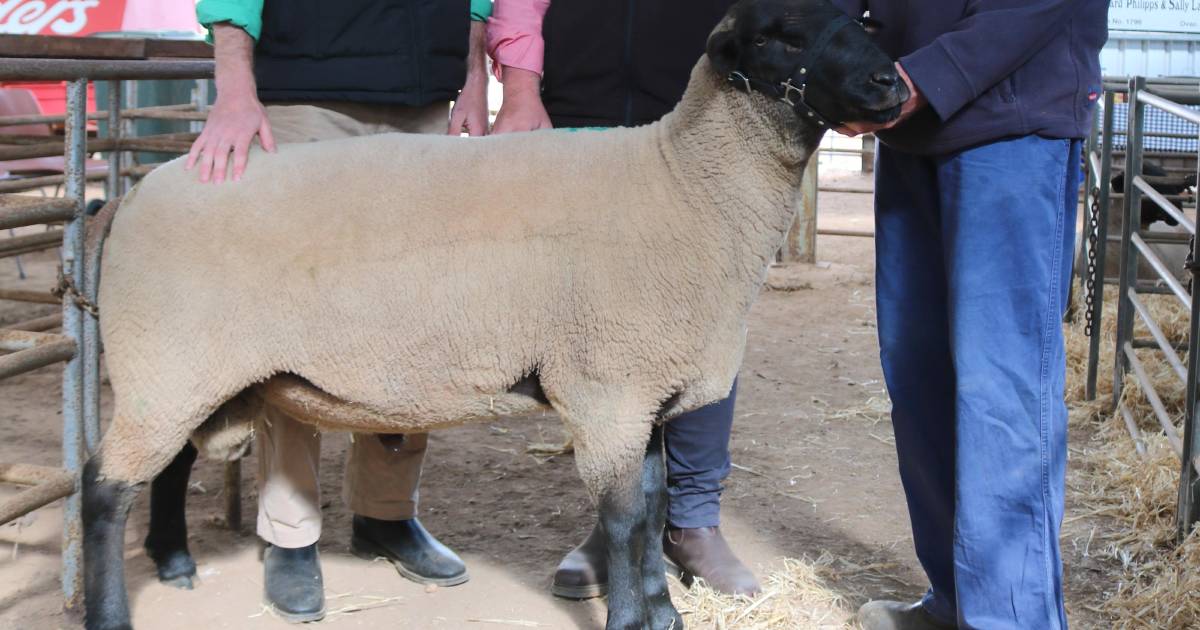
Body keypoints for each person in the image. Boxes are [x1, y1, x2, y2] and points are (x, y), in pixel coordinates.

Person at [188, 0, 492, 622]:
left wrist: (474, 75)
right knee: (298, 321)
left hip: (426, 102)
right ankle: (289, 532)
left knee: (414, 321)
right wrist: (235, 91)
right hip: (308, 101)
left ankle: (386, 514)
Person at [829, 1, 1108, 628]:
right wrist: (836, 50)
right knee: (918, 379)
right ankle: (957, 599)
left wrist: (924, 78)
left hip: (1013, 121)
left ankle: (1009, 618)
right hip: (910, 127)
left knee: (999, 390)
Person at [486, 0, 761, 598]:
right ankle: (618, 524)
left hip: (702, 109)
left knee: (702, 321)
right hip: (582, 112)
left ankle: (693, 521)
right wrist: (521, 89)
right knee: (603, 336)